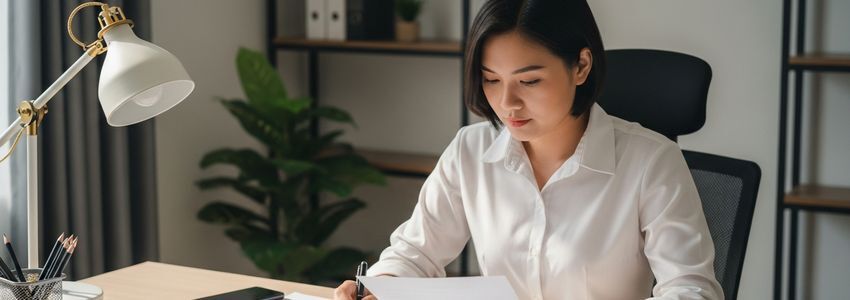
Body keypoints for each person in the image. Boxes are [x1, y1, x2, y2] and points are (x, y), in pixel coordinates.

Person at [334, 0, 723, 299]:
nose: (507, 104)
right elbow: (415, 252)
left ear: (581, 66)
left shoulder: (651, 162)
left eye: (530, 81)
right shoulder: (471, 151)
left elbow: (690, 289)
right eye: (491, 80)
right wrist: (381, 285)